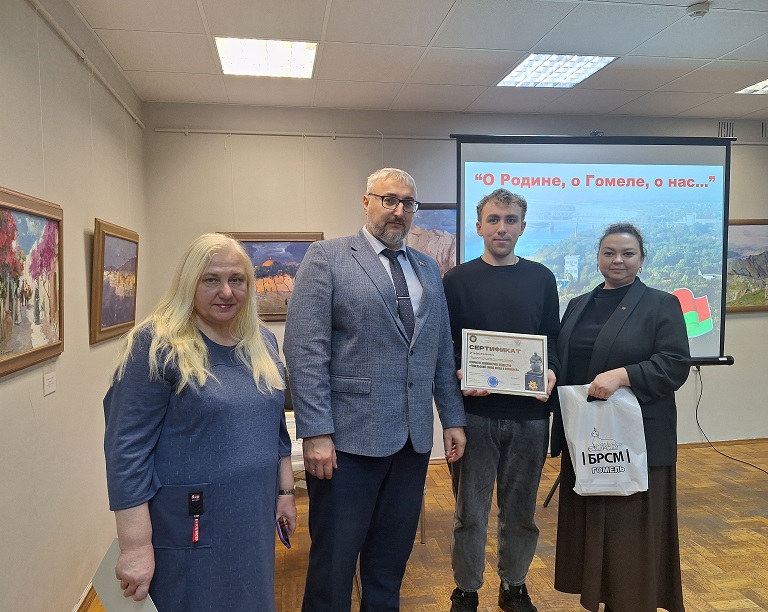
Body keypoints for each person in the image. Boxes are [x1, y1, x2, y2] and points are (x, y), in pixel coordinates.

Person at [283, 167, 467, 612]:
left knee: (389, 566)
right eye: (389, 200)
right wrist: (316, 432)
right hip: (346, 445)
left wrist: (453, 418)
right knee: (333, 567)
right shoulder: (327, 257)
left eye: (408, 203)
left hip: (411, 443)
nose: (399, 211)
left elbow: (439, 349)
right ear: (366, 202)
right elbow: (305, 350)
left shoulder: (427, 267)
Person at [103, 233, 296, 611]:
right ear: (189, 282)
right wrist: (135, 546)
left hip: (252, 515)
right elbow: (126, 449)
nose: (226, 291)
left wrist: (285, 493)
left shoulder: (261, 342)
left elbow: (274, 428)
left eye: (236, 279)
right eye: (211, 279)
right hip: (190, 523)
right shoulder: (157, 343)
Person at [550, 223, 691, 612]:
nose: (618, 260)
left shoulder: (661, 304)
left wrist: (624, 375)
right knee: (593, 527)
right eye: (609, 252)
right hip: (588, 437)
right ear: (598, 257)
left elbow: (674, 364)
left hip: (637, 443)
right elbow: (567, 361)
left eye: (628, 253)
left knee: (630, 537)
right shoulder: (577, 304)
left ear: (642, 259)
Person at [443, 188, 561, 612]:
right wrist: (462, 372)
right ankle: (466, 588)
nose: (502, 228)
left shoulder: (542, 278)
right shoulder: (456, 280)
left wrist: (551, 370)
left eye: (510, 220)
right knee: (470, 513)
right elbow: (446, 346)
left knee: (521, 513)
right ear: (479, 227)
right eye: (493, 219)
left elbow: (552, 340)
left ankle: (514, 584)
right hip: (475, 415)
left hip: (530, 417)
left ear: (522, 227)